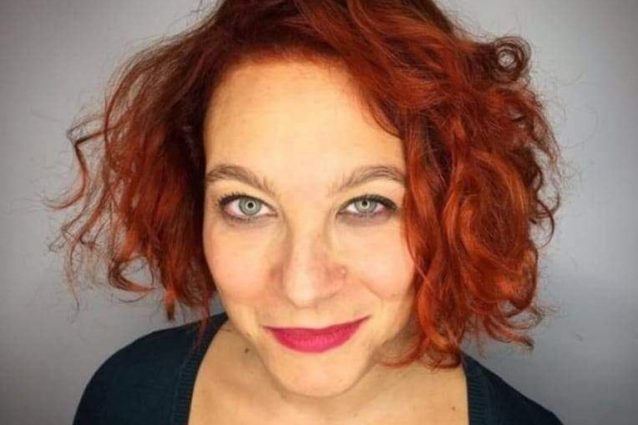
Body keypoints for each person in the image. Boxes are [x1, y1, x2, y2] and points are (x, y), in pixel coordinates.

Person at [49, 0, 565, 424]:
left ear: (455, 205)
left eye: (366, 204)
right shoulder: (125, 397)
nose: (302, 287)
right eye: (247, 205)